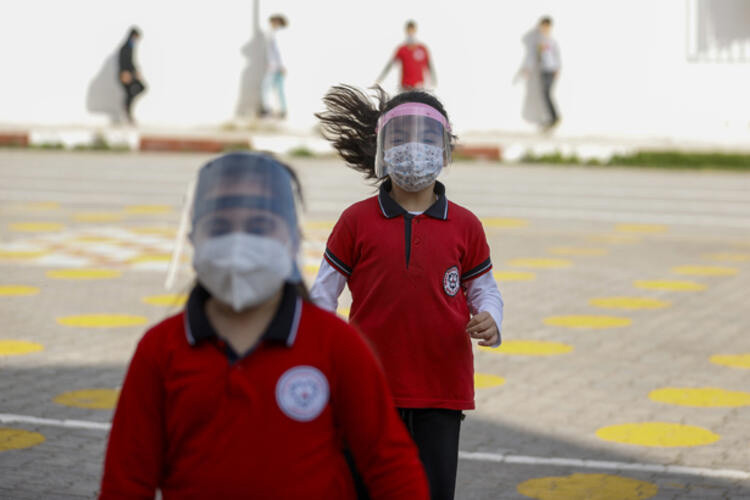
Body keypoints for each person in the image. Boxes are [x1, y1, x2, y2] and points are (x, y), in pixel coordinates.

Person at [99, 152, 429, 499]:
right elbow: (126, 479)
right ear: (194, 238)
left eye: (258, 226)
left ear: (290, 238)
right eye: (221, 226)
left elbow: (390, 465)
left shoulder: (336, 343)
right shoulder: (161, 349)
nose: (239, 242)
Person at [312, 86, 504, 500]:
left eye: (427, 138)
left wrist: (491, 317)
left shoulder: (465, 224)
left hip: (442, 391)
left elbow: (484, 289)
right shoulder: (355, 220)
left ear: (445, 149)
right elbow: (322, 295)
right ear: (380, 148)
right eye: (399, 138)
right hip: (367, 390)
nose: (413, 148)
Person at [522, 17, 561, 130]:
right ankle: (551, 117)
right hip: (543, 70)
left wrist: (557, 68)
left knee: (547, 93)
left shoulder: (552, 41)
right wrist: (528, 68)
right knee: (545, 94)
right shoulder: (539, 41)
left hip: (551, 70)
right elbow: (532, 56)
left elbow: (557, 56)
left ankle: (554, 117)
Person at [376, 20, 436, 92]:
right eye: (409, 30)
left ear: (415, 30)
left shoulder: (422, 48)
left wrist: (433, 80)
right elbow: (389, 65)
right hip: (405, 86)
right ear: (406, 31)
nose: (411, 32)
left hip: (419, 86)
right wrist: (380, 79)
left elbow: (429, 66)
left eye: (412, 29)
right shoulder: (401, 49)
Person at [261, 14, 288, 119]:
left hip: (275, 66)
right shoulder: (273, 34)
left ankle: (268, 110)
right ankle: (281, 110)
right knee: (278, 89)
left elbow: (279, 52)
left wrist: (282, 65)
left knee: (266, 87)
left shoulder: (277, 35)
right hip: (276, 66)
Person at [117, 27, 146, 125]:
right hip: (125, 75)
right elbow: (123, 62)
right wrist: (124, 73)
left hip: (131, 75)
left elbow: (131, 62)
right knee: (129, 93)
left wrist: (136, 72)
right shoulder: (125, 47)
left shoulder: (131, 47)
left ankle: (127, 111)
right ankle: (127, 113)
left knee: (140, 88)